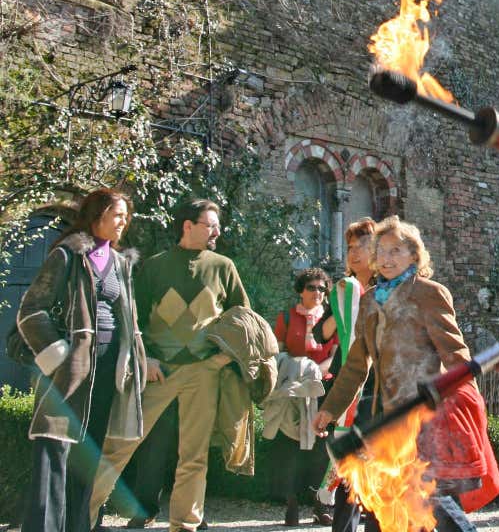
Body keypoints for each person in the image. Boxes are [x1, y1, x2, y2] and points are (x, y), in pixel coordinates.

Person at [313, 217, 492, 532]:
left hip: (425, 417)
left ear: (415, 255)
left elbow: (455, 354)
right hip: (387, 421)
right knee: (388, 508)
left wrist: (471, 406)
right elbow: (356, 363)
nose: (386, 258)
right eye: (381, 250)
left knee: (430, 501)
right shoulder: (369, 300)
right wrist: (330, 408)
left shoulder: (428, 293)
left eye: (396, 250)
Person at [90, 198, 250, 532]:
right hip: (157, 372)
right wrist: (145, 358)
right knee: (121, 441)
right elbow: (131, 319)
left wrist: (220, 360)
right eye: (210, 224)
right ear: (187, 226)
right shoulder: (155, 266)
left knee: (194, 457)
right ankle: (83, 515)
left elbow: (243, 320)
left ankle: (186, 525)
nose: (216, 231)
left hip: (203, 374)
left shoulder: (223, 267)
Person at [17, 188, 146, 532]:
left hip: (106, 370)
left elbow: (128, 320)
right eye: (118, 215)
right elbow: (31, 310)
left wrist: (132, 362)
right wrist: (58, 355)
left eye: (125, 216)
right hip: (69, 370)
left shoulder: (121, 263)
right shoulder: (67, 255)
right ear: (97, 215)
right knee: (54, 452)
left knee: (86, 458)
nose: (124, 222)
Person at [318, 218, 379, 532]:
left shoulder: (387, 288)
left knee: (378, 467)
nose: (353, 254)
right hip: (346, 383)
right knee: (347, 468)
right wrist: (343, 315)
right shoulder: (343, 291)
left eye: (361, 246)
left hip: (377, 388)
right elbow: (320, 333)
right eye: (350, 247)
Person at [271, 267, 338, 526]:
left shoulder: (332, 319)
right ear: (301, 290)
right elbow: (278, 351)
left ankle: (320, 504)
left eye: (322, 288)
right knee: (291, 448)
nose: (318, 292)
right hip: (294, 390)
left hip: (324, 389)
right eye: (312, 287)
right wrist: (298, 374)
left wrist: (318, 374)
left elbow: (335, 354)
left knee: (321, 448)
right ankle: (292, 503)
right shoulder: (287, 318)